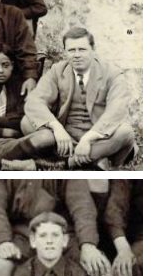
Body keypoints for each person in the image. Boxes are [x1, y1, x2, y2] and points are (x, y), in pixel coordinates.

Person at [22, 26, 137, 169]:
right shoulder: (58, 70)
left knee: (125, 132)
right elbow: (34, 101)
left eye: (82, 49)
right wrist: (57, 128)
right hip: (65, 137)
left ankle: (67, 162)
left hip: (99, 137)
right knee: (27, 122)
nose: (76, 55)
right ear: (65, 52)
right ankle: (95, 161)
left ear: (93, 50)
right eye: (71, 50)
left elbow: (117, 110)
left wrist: (89, 138)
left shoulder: (112, 73)